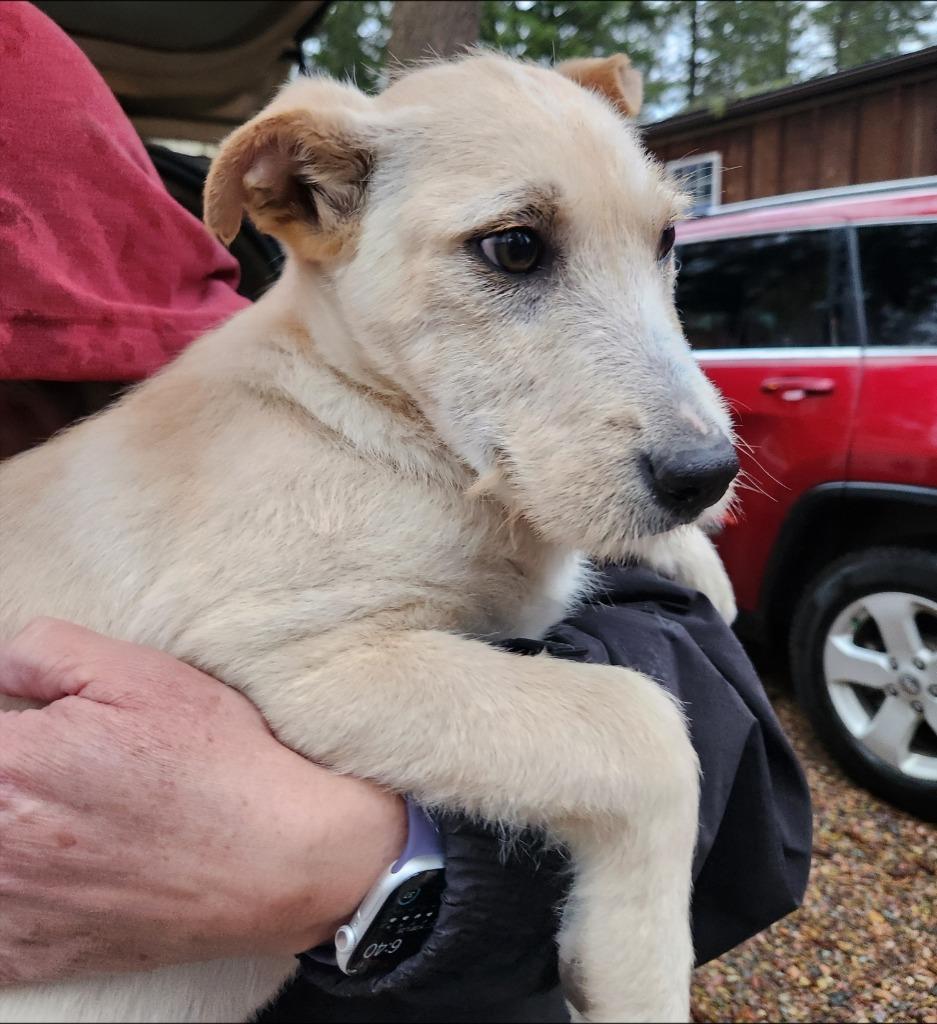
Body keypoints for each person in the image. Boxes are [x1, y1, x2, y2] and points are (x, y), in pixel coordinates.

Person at [0, 5, 812, 1022]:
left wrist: (351, 862)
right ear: (309, 196)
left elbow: (741, 771)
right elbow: (314, 665)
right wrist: (634, 756)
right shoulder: (272, 428)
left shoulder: (365, 404)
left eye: (657, 239)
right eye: (514, 250)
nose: (696, 426)